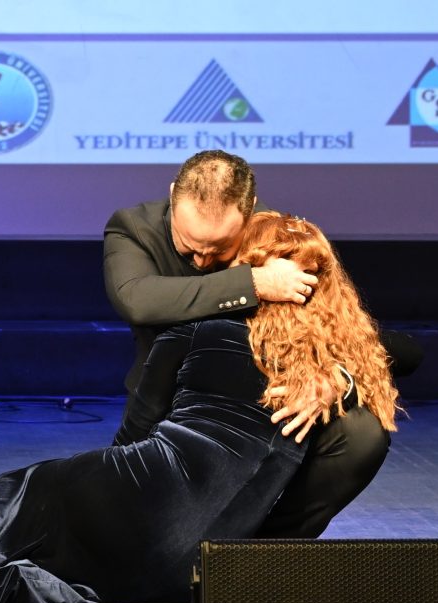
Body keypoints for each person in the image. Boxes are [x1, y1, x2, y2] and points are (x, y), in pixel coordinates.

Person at [0, 213, 392, 603]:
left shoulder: (196, 330)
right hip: (197, 566)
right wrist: (341, 379)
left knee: (21, 490)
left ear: (246, 268)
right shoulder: (335, 360)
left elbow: (136, 428)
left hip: (133, 500)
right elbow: (400, 353)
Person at [104, 150, 409, 538]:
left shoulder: (276, 237)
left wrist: (338, 379)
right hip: (171, 403)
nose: (202, 261)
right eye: (188, 246)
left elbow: (356, 333)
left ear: (248, 213)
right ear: (172, 196)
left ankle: (265, 553)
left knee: (362, 434)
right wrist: (252, 283)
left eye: (219, 249)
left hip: (273, 404)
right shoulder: (134, 228)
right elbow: (137, 300)